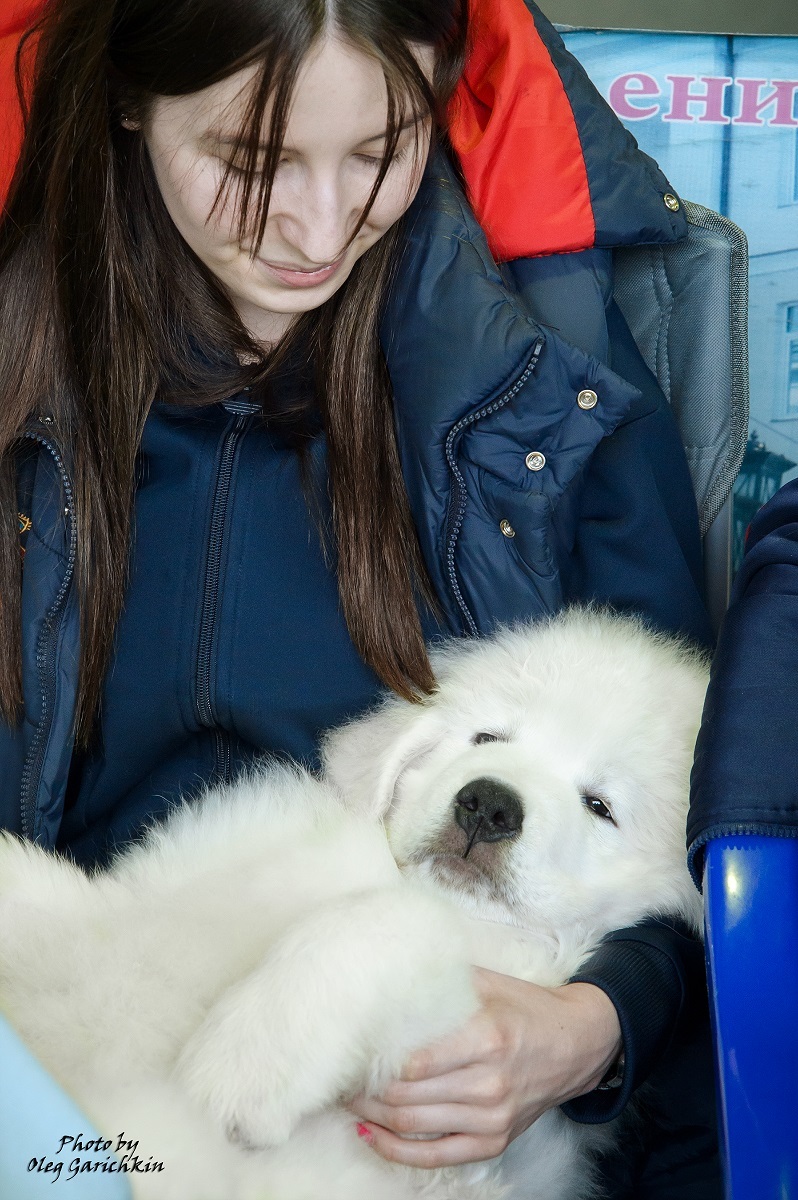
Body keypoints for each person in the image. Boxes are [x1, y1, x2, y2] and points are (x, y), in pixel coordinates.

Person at [0, 0, 719, 1194]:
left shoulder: (552, 400)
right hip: (66, 1067)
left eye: (383, 151)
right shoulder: (28, 357)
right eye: (248, 161)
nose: (318, 228)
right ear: (129, 99)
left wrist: (596, 1028)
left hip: (374, 1121)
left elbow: (698, 835)